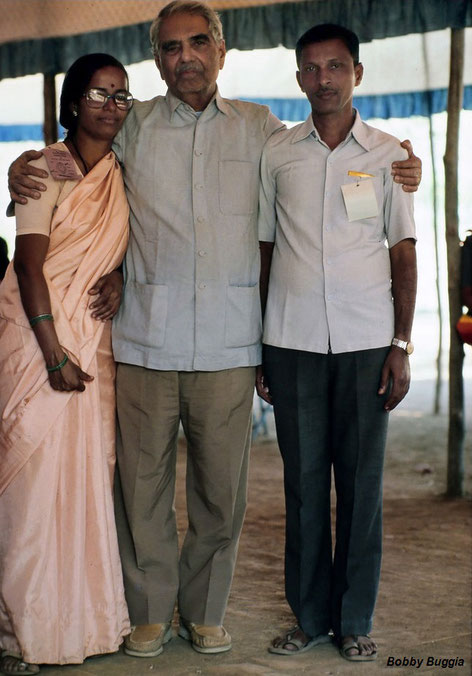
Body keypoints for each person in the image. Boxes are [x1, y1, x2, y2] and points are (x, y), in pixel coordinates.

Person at [6, 1, 422, 660]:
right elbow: (71, 165)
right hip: (144, 337)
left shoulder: (263, 130)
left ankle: (203, 612)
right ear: (158, 61)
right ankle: (147, 613)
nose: (185, 58)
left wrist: (404, 164)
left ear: (222, 49)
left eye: (198, 43)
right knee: (139, 488)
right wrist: (23, 167)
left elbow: (329, 156)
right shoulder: (133, 124)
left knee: (219, 495)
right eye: (170, 48)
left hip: (231, 343)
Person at [257, 24, 417, 663]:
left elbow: (403, 253)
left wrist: (401, 343)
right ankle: (310, 617)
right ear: (298, 78)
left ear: (357, 73)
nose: (323, 79)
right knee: (301, 487)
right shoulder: (278, 154)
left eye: (336, 67)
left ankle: (354, 619)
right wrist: (260, 344)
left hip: (364, 341)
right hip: (291, 340)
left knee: (360, 486)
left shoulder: (386, 156)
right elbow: (265, 250)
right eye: (311, 69)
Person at [0, 53, 133, 674]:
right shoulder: (43, 167)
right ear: (74, 102)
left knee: (83, 481)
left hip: (94, 342)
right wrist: (54, 354)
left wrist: (122, 279)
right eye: (100, 94)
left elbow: (126, 248)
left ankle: (79, 619)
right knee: (32, 487)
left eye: (121, 96)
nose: (111, 106)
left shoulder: (121, 172)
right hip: (40, 340)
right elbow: (29, 265)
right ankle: (21, 627)